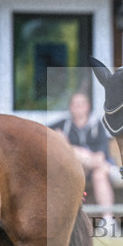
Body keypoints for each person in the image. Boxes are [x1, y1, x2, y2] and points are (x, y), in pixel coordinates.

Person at [51, 92, 115, 222]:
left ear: (88, 106)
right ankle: (65, 221)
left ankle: (108, 220)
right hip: (74, 168)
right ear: (70, 107)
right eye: (74, 104)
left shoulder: (97, 125)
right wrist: (57, 138)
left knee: (99, 175)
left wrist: (68, 147)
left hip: (96, 168)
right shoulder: (63, 125)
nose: (78, 107)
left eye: (81, 104)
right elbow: (41, 132)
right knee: (69, 171)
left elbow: (100, 157)